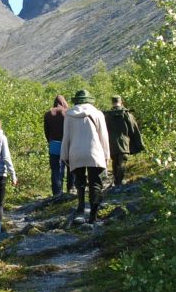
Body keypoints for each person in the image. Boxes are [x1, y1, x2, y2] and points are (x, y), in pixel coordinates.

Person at [59, 89, 110, 223]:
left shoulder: (69, 115)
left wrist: (64, 155)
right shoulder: (98, 114)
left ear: (76, 101)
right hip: (94, 152)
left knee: (79, 181)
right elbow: (103, 136)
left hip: (75, 152)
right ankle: (93, 215)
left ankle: (81, 208)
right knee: (95, 183)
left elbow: (66, 137)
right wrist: (106, 156)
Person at [105, 95, 144, 186]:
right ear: (121, 102)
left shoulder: (107, 115)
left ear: (112, 102)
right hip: (124, 141)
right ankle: (119, 182)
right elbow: (133, 128)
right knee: (122, 161)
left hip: (111, 143)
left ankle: (116, 181)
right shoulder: (127, 114)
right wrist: (138, 142)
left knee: (115, 161)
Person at [42, 94, 69, 197]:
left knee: (55, 169)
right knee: (68, 167)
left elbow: (46, 131)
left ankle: (57, 192)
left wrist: (50, 140)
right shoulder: (68, 113)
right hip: (66, 143)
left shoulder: (48, 114)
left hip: (53, 144)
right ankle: (70, 188)